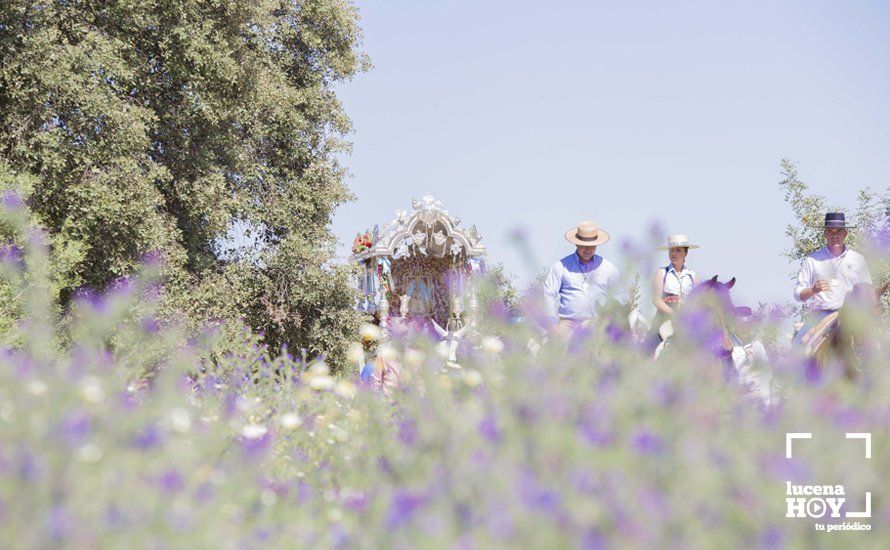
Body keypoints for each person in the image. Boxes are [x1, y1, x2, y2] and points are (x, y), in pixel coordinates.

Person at [792, 212, 872, 345]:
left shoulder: (858, 259)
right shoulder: (813, 260)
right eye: (830, 231)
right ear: (825, 234)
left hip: (850, 315)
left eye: (839, 231)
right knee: (798, 345)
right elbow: (797, 294)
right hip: (821, 315)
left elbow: (868, 292)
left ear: (845, 234)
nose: (835, 235)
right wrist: (812, 290)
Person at [543, 221, 620, 339]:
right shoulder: (561, 266)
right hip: (568, 323)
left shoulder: (609, 268)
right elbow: (549, 294)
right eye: (583, 246)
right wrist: (552, 323)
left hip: (598, 322)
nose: (588, 250)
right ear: (576, 244)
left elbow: (619, 295)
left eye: (592, 246)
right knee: (560, 349)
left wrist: (612, 316)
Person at [649, 234, 700, 344]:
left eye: (678, 250)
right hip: (664, 319)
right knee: (649, 349)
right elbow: (656, 300)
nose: (674, 254)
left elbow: (697, 302)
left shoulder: (693, 276)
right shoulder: (661, 272)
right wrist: (673, 314)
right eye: (671, 251)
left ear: (686, 253)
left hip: (687, 321)